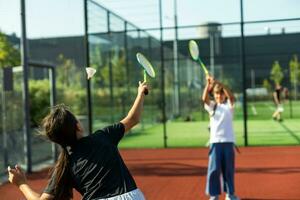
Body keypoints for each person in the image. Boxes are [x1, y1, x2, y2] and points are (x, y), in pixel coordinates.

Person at [7, 81, 149, 200]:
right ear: (78, 126)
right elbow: (133, 118)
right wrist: (140, 93)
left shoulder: (65, 165)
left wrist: (21, 183)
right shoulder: (103, 136)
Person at [202, 75, 239, 200]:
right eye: (217, 94)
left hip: (228, 143)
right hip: (215, 143)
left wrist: (218, 82)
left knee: (229, 170)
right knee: (214, 170)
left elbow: (231, 97)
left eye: (221, 94)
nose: (219, 96)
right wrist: (208, 85)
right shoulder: (212, 106)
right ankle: (214, 196)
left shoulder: (229, 106)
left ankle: (230, 194)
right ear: (214, 95)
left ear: (224, 95)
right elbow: (204, 98)